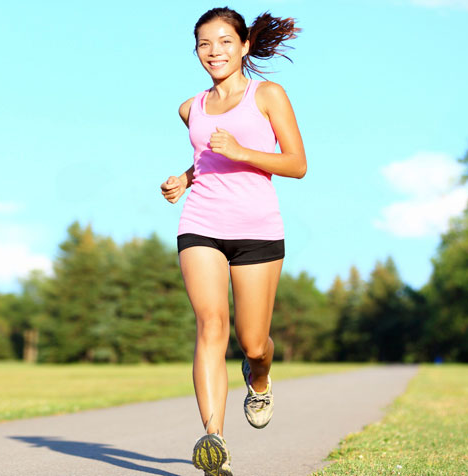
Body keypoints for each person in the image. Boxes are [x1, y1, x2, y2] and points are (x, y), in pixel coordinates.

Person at [160, 7, 306, 476]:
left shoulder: (268, 95)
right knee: (210, 325)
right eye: (205, 44)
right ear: (196, 52)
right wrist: (183, 179)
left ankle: (258, 378)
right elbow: (207, 160)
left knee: (253, 342)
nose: (214, 51)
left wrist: (241, 152)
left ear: (243, 46)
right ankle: (214, 439)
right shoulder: (191, 108)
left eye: (224, 41)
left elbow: (297, 163)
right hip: (201, 223)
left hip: (258, 229)